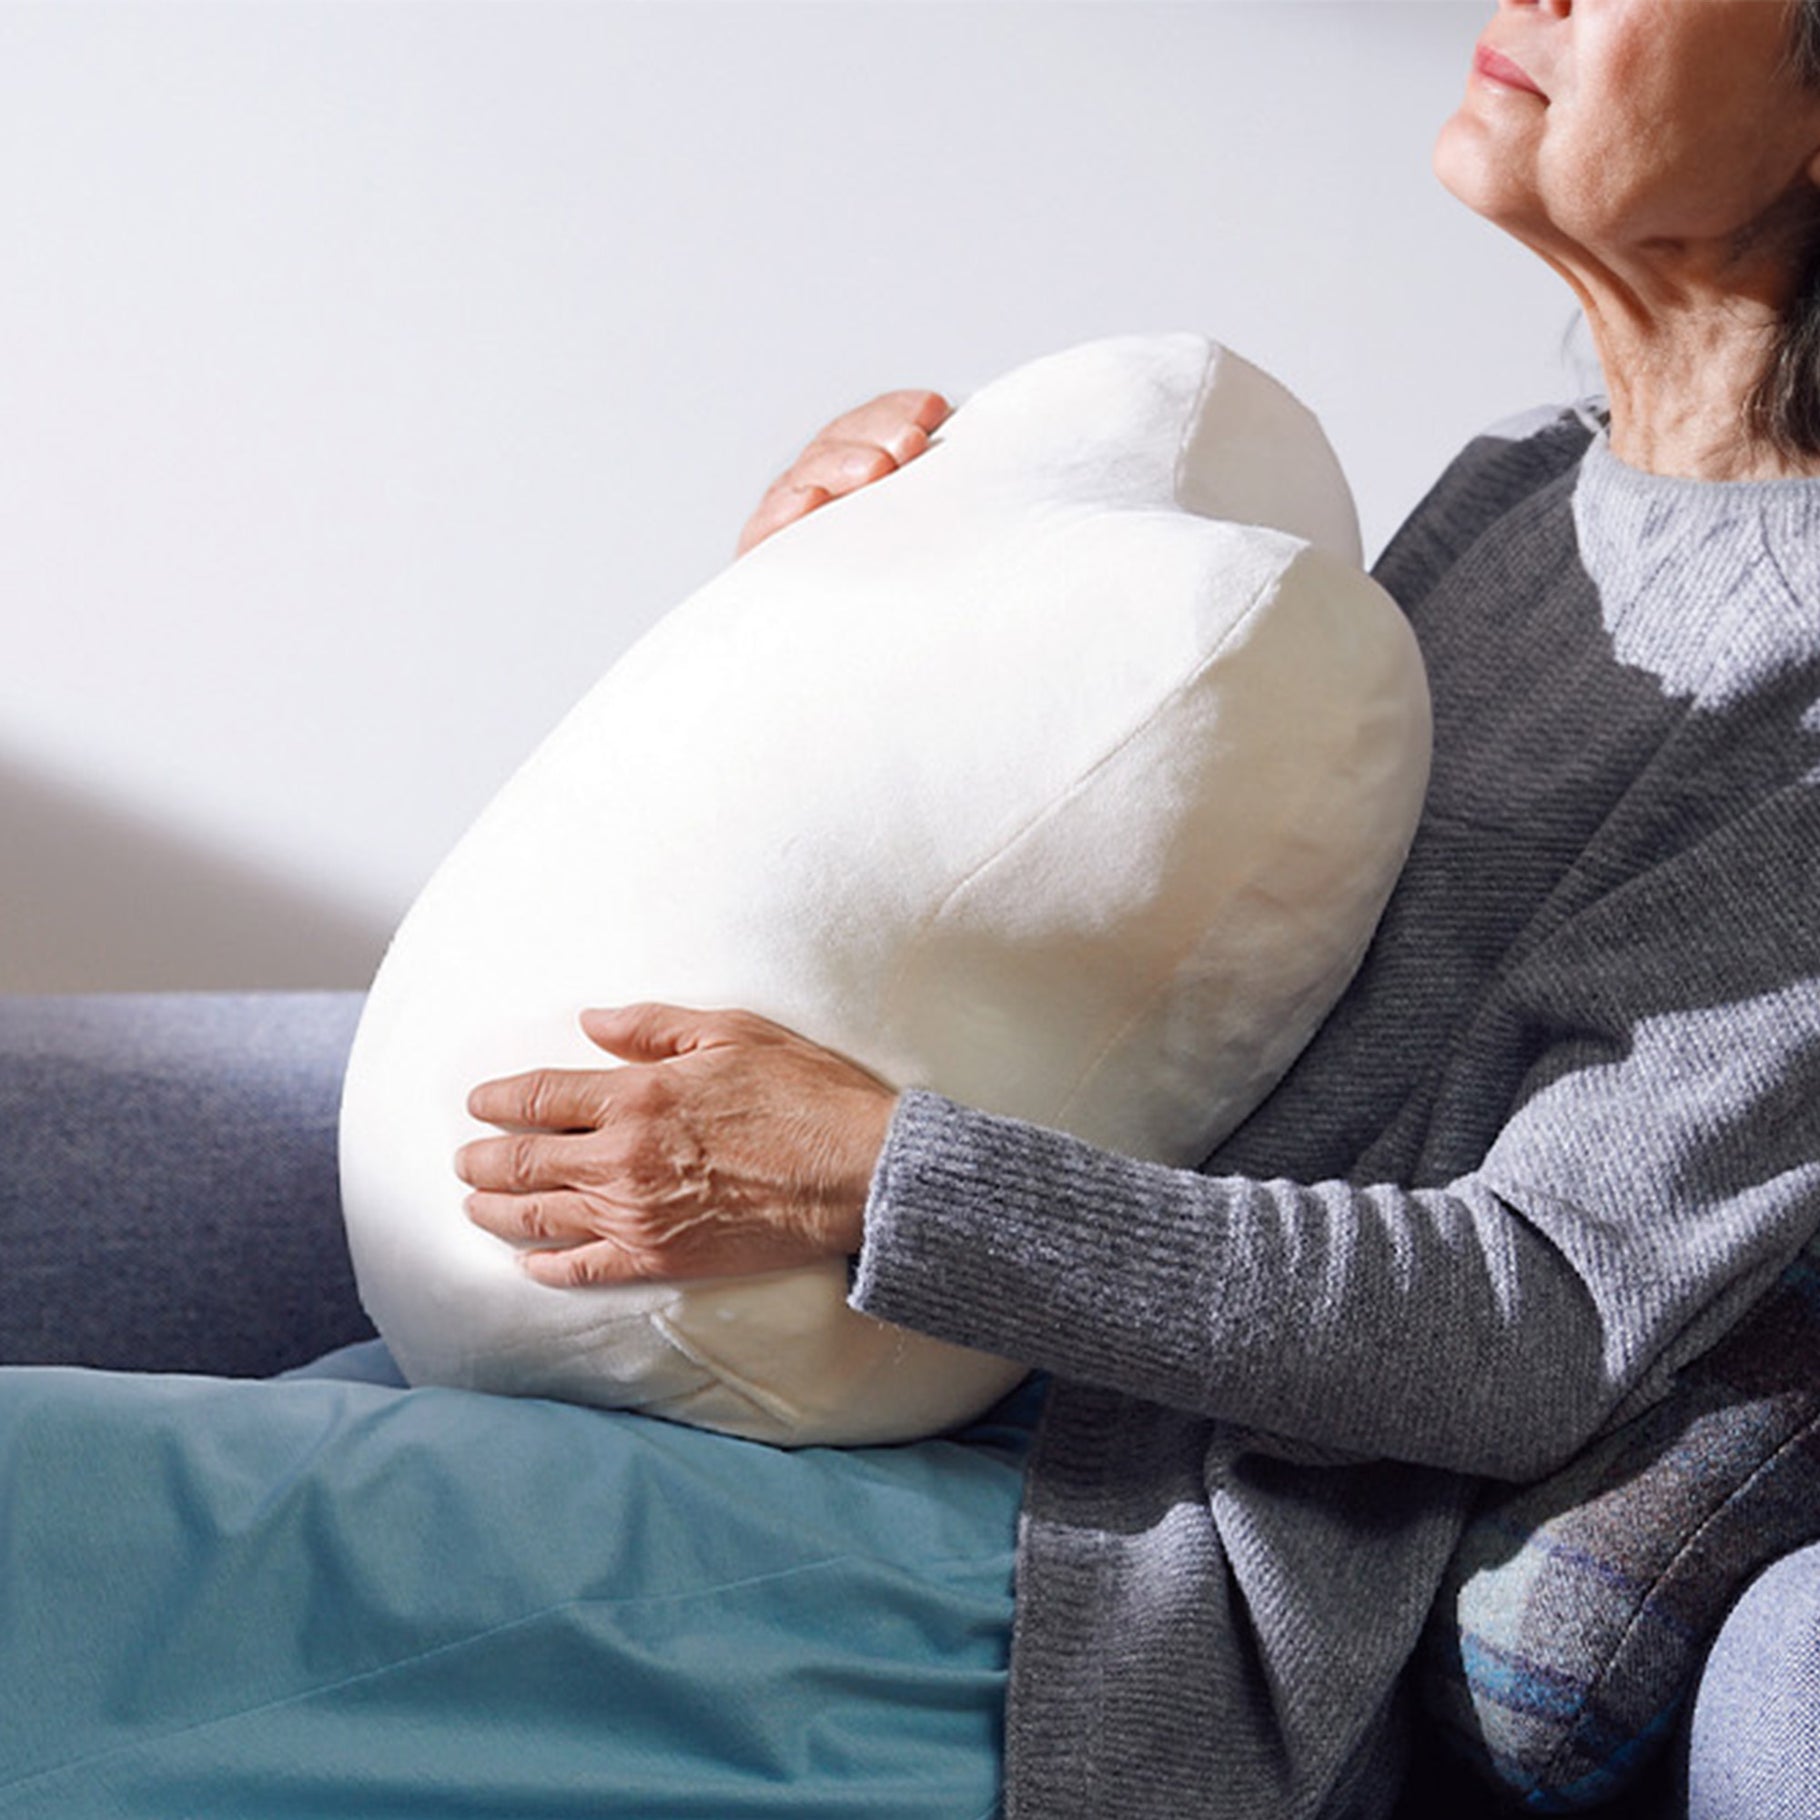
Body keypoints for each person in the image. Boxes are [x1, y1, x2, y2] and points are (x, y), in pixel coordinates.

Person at [3, 2, 1819, 1816]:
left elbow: (1531, 1320)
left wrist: (860, 1172)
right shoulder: (1536, 473)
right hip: (915, 1409)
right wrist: (861, 613)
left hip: (1106, 1586)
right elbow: (1207, 943)